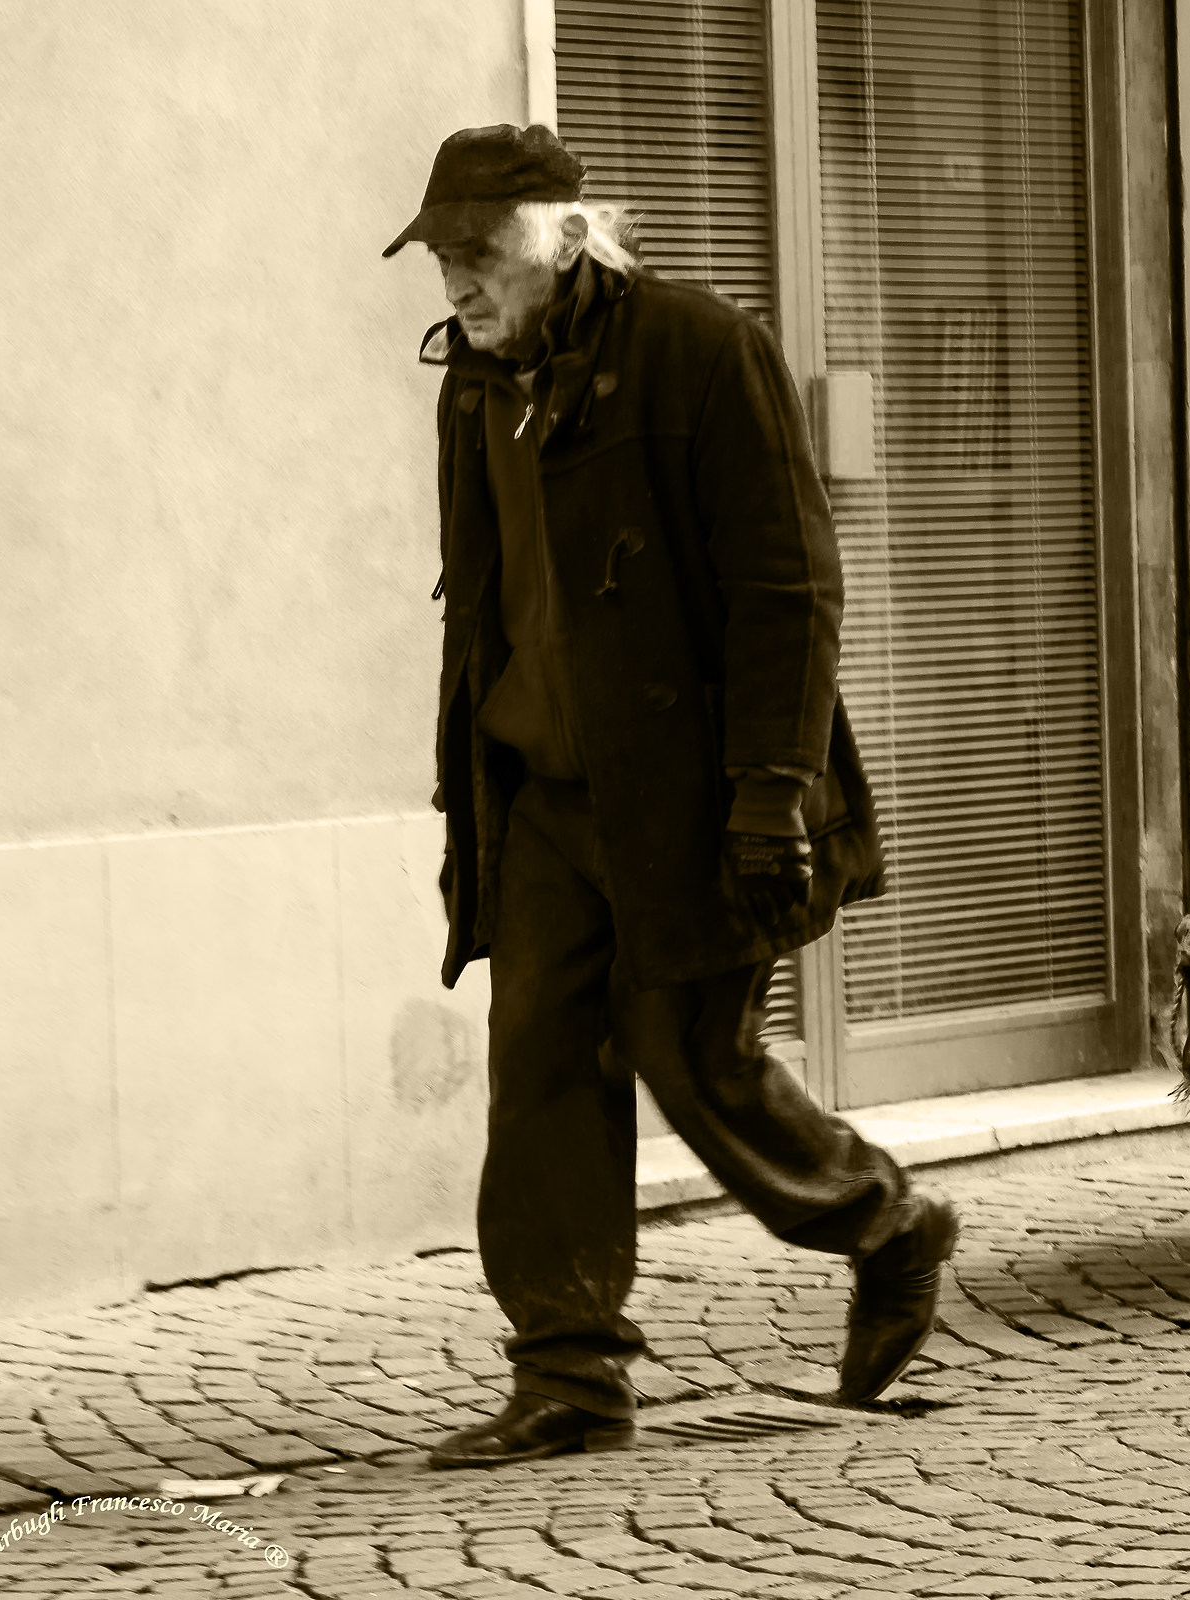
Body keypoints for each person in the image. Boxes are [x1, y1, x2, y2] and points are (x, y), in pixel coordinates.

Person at [383, 123, 958, 1469]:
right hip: (539, 798)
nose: (455, 284)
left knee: (698, 1064)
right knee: (539, 1083)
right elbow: (490, 602)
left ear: (562, 240)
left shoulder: (703, 352)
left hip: (693, 797)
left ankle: (887, 1224)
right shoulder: (475, 387)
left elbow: (790, 588)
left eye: (478, 255)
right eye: (442, 259)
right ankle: (569, 1376)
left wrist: (775, 790)